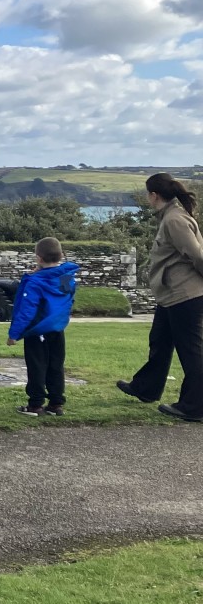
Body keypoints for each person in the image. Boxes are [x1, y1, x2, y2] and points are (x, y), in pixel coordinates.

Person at [119, 173, 203, 423]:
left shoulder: (175, 219)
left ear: (154, 195)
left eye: (148, 194)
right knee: (159, 341)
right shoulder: (170, 215)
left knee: (191, 351)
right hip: (170, 294)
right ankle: (146, 388)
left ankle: (194, 406)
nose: (147, 198)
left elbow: (197, 255)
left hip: (184, 295)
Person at [7, 237, 80, 417]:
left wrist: (14, 333)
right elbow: (66, 297)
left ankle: (35, 404)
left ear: (38, 258)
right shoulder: (66, 277)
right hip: (57, 327)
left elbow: (27, 310)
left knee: (37, 366)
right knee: (56, 365)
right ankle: (56, 403)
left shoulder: (35, 282)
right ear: (61, 255)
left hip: (37, 330)